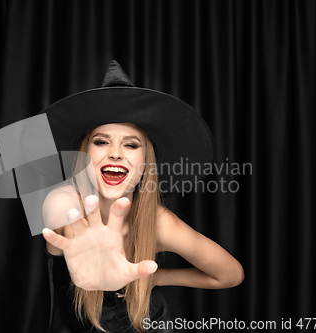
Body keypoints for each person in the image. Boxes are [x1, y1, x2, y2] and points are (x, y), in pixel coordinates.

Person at [39, 61, 244, 333]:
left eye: (131, 144)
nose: (115, 153)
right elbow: (54, 249)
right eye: (101, 141)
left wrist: (156, 277)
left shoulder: (160, 222)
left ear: (146, 162)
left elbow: (230, 275)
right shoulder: (63, 202)